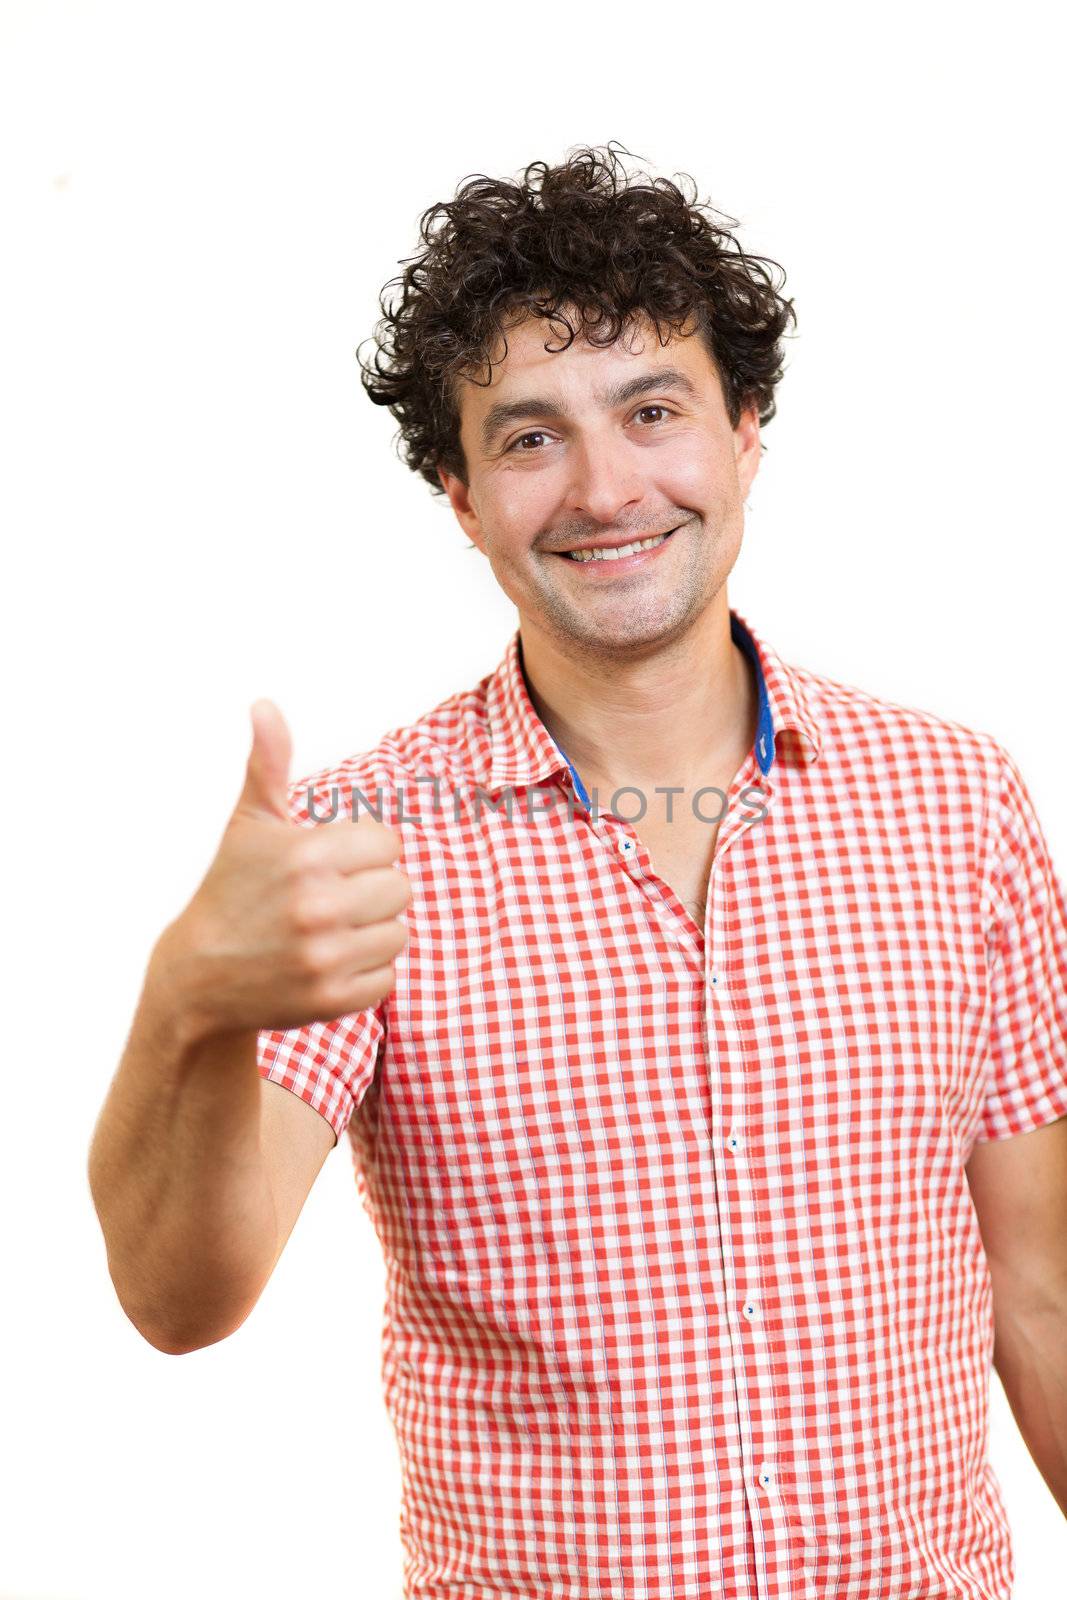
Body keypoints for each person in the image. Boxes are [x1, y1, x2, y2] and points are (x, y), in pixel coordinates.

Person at [88, 143, 1067, 1599]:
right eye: (531, 438)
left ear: (745, 433)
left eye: (653, 411)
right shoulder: (360, 849)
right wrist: (185, 1004)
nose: (609, 488)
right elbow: (181, 1303)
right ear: (461, 494)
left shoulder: (956, 802)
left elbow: (1042, 1284)